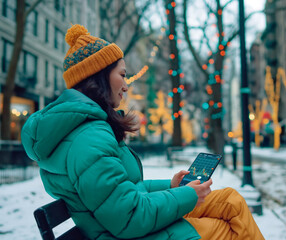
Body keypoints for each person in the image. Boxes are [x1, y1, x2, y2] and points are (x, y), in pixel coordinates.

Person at [21, 24, 264, 240]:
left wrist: (171, 185)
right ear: (99, 77)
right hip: (129, 231)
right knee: (227, 227)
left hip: (130, 226)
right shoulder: (88, 138)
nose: (126, 86)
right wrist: (187, 196)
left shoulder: (88, 130)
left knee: (230, 201)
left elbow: (125, 192)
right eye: (122, 75)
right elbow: (129, 217)